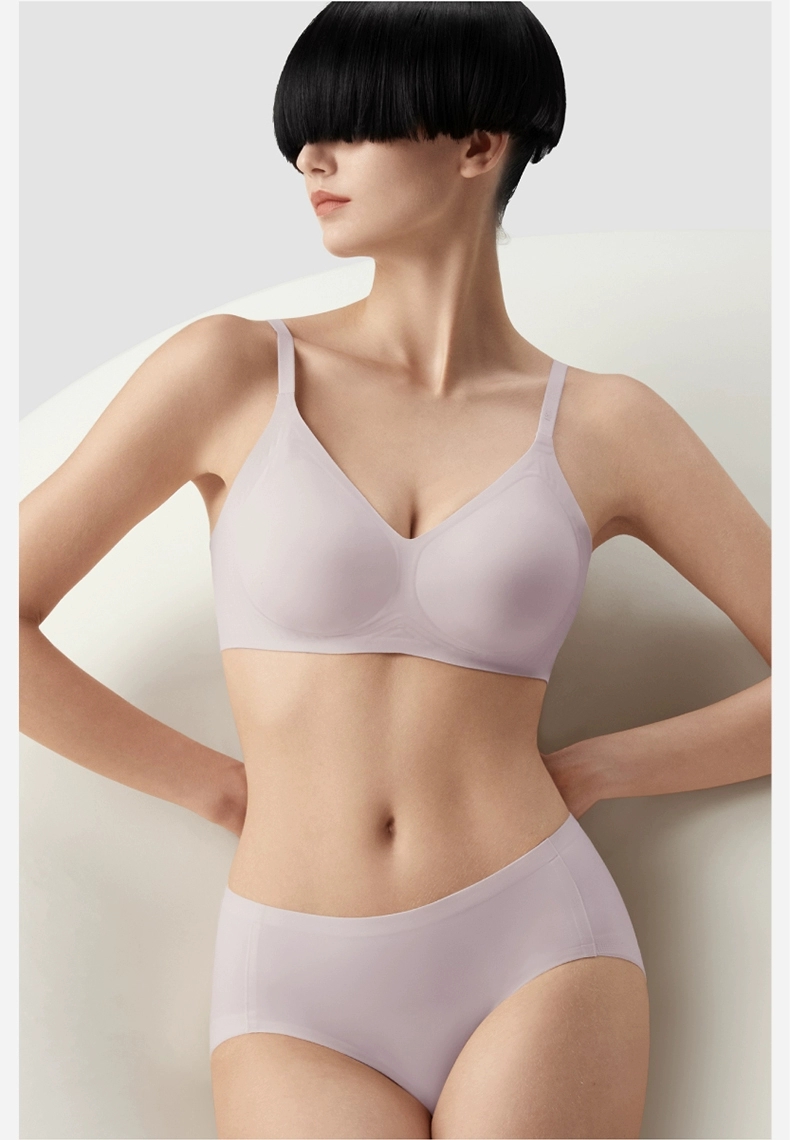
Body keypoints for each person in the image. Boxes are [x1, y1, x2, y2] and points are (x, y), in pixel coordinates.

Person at [19, 3, 771, 1138]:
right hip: (295, 982)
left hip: (536, 944)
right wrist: (213, 787)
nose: (311, 159)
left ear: (479, 146)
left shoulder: (606, 426)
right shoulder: (231, 372)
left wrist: (604, 768)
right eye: (301, 134)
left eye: (353, 125)